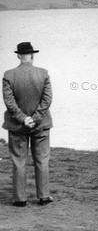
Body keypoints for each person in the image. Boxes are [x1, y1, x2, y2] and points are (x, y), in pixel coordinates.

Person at [3, 42, 53, 207]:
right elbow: (47, 100)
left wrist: (23, 119)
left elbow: (9, 103)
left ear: (18, 55)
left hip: (17, 126)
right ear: (32, 55)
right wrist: (35, 118)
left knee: (19, 161)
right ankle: (44, 196)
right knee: (42, 160)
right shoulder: (43, 74)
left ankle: (19, 199)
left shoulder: (9, 75)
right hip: (41, 125)